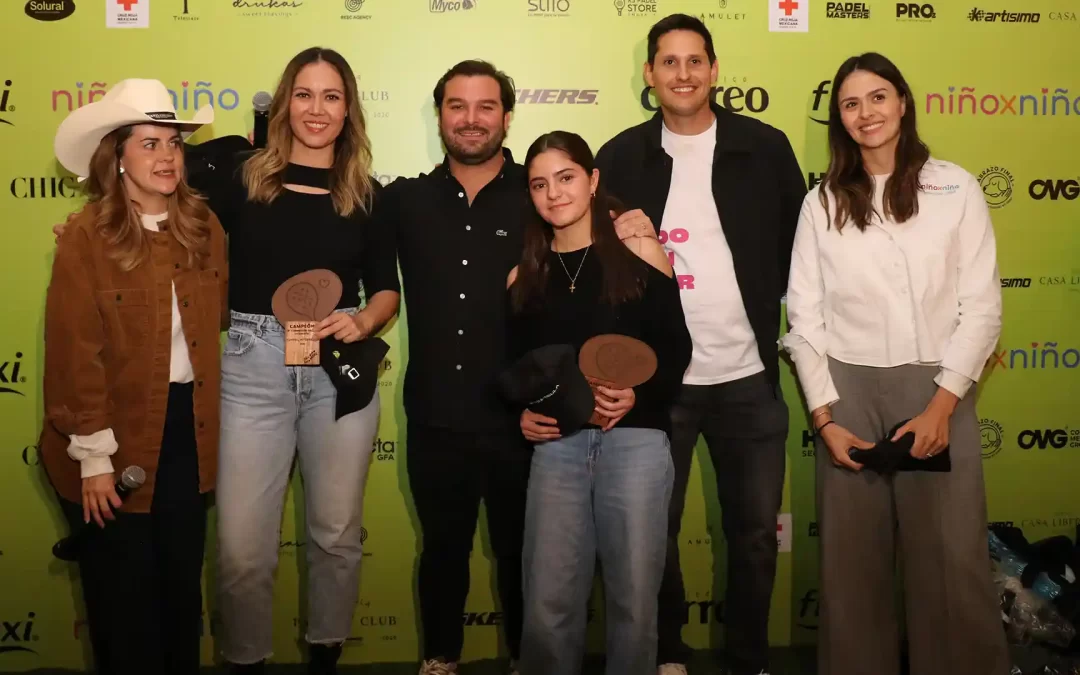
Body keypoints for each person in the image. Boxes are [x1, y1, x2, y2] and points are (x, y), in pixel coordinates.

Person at [380, 60, 657, 675]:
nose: (471, 119)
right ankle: (439, 658)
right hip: (435, 412)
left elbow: (601, 247)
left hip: (525, 416)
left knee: (526, 557)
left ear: (507, 117)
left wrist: (633, 222)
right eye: (457, 105)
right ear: (439, 115)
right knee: (442, 548)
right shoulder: (404, 200)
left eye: (486, 107)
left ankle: (523, 660)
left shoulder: (540, 195)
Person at [781, 52, 1009, 675]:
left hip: (939, 391)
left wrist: (942, 407)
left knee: (951, 566)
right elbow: (804, 318)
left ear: (903, 102)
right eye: (850, 104)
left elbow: (982, 308)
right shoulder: (822, 202)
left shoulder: (956, 188)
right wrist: (825, 421)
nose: (866, 113)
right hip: (847, 396)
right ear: (839, 119)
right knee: (853, 571)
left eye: (878, 97)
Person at [594, 14, 806, 675]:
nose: (682, 73)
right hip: (659, 384)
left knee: (754, 535)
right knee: (652, 533)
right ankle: (668, 653)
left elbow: (799, 251)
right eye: (669, 61)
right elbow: (598, 269)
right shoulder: (619, 157)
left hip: (748, 378)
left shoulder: (764, 147)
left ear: (714, 70)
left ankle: (748, 658)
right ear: (649, 74)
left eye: (695, 61)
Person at [201, 47, 400, 675]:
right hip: (251, 370)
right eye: (305, 94)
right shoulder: (243, 180)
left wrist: (363, 320)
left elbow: (386, 289)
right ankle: (245, 660)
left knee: (336, 533)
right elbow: (166, 218)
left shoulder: (367, 195)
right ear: (285, 102)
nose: (317, 109)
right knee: (240, 547)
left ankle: (326, 653)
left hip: (337, 373)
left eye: (331, 96)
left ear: (349, 110)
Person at [40, 78, 227, 675]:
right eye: (149, 143)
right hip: (110, 437)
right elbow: (75, 354)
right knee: (122, 605)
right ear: (116, 156)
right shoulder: (86, 236)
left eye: (174, 143)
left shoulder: (205, 228)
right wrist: (95, 457)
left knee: (180, 594)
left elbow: (216, 321)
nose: (167, 156)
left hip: (187, 435)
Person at [508, 131, 692, 675]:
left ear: (591, 181)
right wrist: (524, 413)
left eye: (566, 178)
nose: (554, 193)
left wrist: (638, 395)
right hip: (558, 448)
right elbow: (517, 370)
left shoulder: (638, 251)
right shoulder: (524, 276)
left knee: (634, 599)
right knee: (548, 599)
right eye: (539, 184)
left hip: (637, 442)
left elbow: (677, 349)